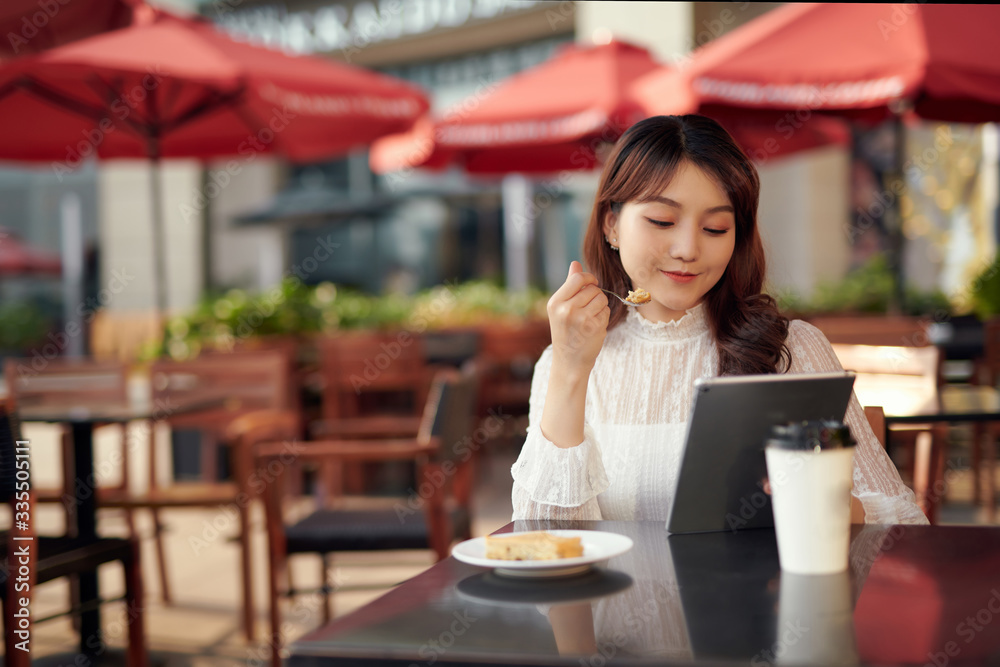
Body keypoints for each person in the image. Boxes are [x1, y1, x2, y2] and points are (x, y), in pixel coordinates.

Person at [511, 114, 928, 526]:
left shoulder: (791, 349)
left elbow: (907, 522)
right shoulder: (562, 360)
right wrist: (570, 370)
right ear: (612, 224)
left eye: (715, 228)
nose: (688, 249)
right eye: (662, 221)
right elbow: (542, 539)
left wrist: (830, 507)